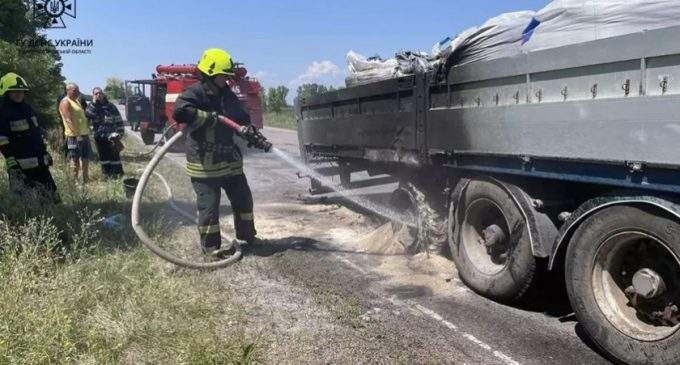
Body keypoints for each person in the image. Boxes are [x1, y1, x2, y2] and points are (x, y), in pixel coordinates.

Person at [173, 48, 267, 258]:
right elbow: (179, 111)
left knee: (244, 200)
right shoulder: (195, 93)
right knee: (209, 208)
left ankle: (247, 237)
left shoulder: (227, 95)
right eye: (225, 76)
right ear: (211, 74)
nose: (228, 80)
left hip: (229, 160)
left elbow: (241, 119)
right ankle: (211, 249)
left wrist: (251, 133)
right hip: (204, 163)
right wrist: (208, 117)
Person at [0, 72, 58, 200]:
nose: (18, 94)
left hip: (39, 162)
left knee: (52, 196)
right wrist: (10, 160)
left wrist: (45, 153)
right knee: (23, 200)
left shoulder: (27, 108)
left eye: (21, 91)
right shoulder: (3, 112)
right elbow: (2, 139)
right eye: (14, 91)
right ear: (6, 93)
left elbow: (36, 134)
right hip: (19, 165)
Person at [85, 87, 124, 178]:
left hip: (112, 136)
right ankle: (107, 174)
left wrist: (120, 133)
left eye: (100, 93)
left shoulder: (110, 106)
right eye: (96, 94)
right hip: (100, 136)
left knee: (115, 155)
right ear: (93, 95)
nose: (98, 95)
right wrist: (94, 104)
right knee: (104, 156)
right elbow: (87, 114)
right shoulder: (91, 106)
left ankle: (117, 174)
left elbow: (119, 119)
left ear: (103, 94)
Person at [59, 82, 91, 183]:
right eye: (74, 91)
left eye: (78, 90)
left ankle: (86, 178)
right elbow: (68, 120)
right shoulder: (65, 102)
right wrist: (77, 135)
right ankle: (74, 181)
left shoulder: (77, 101)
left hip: (84, 134)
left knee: (85, 157)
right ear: (67, 91)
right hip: (74, 136)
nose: (77, 92)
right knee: (75, 159)